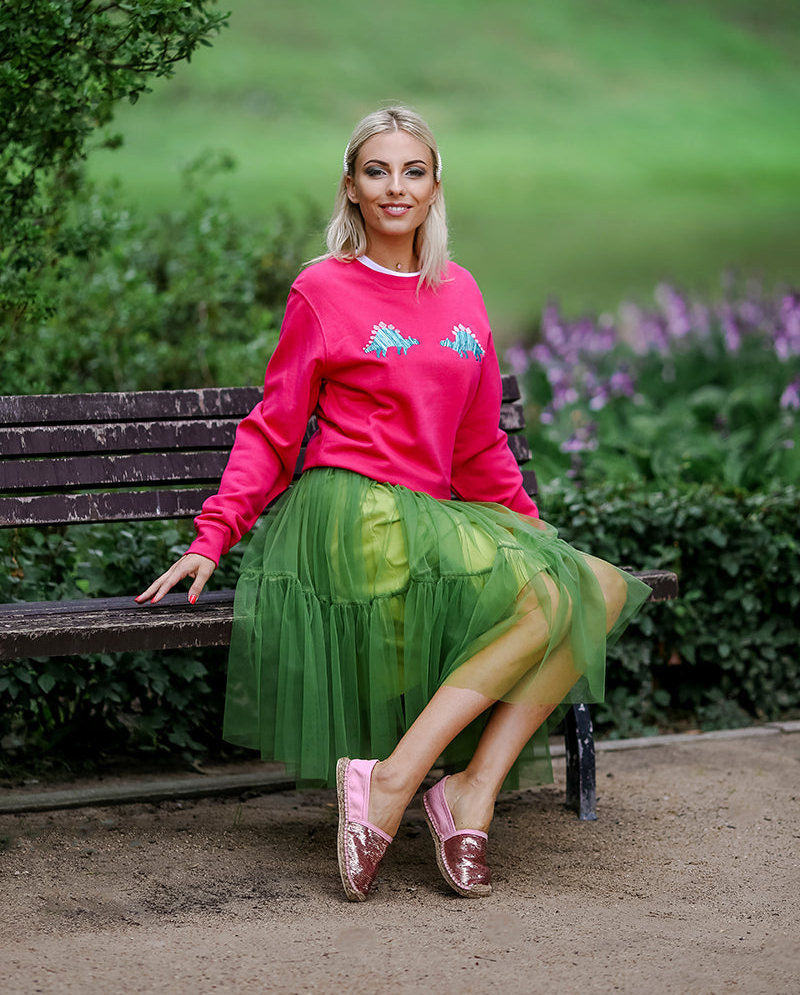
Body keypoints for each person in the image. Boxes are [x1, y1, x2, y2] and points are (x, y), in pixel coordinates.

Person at [137, 106, 650, 902]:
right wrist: (215, 533)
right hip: (351, 514)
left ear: (436, 186)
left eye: (413, 170)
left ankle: (466, 789)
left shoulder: (462, 291)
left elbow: (478, 447)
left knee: (599, 585)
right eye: (377, 171)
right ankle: (399, 781)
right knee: (553, 592)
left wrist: (533, 531)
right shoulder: (322, 288)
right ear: (350, 188)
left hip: (435, 519)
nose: (395, 187)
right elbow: (275, 428)